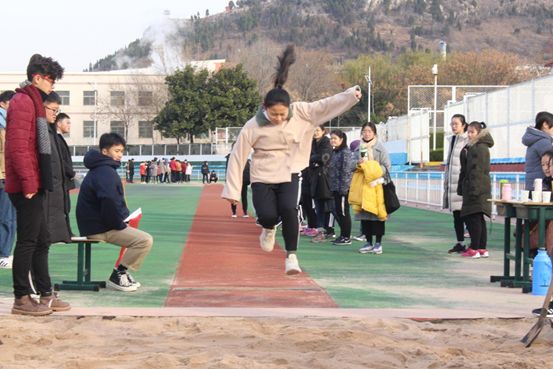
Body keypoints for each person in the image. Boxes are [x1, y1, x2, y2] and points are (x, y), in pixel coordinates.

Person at [222, 45, 361, 274]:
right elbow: (237, 158)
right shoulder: (252, 126)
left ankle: (291, 258)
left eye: (282, 114)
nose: (278, 118)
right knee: (267, 215)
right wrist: (233, 191)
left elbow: (325, 105)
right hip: (263, 175)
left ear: (289, 109)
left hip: (290, 172)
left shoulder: (302, 112)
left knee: (288, 208)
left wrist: (349, 96)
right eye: (273, 114)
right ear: (265, 109)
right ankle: (268, 228)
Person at [5, 54, 69, 315]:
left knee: (42, 239)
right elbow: (18, 147)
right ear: (37, 77)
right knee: (29, 240)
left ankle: (45, 293)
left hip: (35, 181)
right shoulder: (23, 102)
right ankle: (21, 297)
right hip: (25, 184)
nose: (53, 84)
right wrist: (29, 182)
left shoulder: (34, 102)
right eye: (51, 79)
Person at [76, 133, 153, 292]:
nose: (120, 155)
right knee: (144, 240)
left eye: (121, 151)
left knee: (140, 238)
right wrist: (119, 224)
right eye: (116, 151)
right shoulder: (105, 171)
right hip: (100, 228)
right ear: (105, 152)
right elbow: (108, 201)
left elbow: (110, 201)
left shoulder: (101, 169)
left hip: (97, 224)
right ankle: (119, 273)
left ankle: (121, 273)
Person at [351, 122, 390, 255]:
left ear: (374, 133)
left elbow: (387, 166)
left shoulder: (381, 148)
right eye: (364, 131)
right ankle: (368, 242)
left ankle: (378, 243)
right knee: (365, 216)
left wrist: (374, 171)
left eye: (369, 131)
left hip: (377, 186)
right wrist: (358, 163)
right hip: (363, 186)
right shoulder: (358, 148)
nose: (366, 134)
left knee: (378, 215)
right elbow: (350, 166)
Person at [457, 121, 494, 259]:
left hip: (476, 188)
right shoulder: (477, 147)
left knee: (473, 218)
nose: (469, 135)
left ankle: (474, 248)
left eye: (472, 132)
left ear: (479, 133)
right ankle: (481, 248)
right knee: (478, 218)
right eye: (468, 132)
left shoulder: (477, 148)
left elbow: (476, 172)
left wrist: (472, 190)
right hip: (478, 187)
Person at [44, 93, 72, 243]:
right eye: (53, 110)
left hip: (58, 183)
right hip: (47, 187)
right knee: (33, 240)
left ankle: (66, 231)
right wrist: (70, 173)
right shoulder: (44, 131)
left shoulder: (53, 134)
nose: (55, 114)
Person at [443, 114, 469, 254]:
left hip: (461, 183)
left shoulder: (466, 140)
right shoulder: (452, 140)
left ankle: (475, 245)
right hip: (452, 184)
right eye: (452, 124)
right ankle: (460, 243)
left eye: (456, 124)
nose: (453, 126)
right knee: (457, 216)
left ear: (463, 125)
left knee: (466, 216)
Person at [328, 129, 354, 245]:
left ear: (341, 140)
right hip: (335, 187)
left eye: (335, 138)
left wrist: (343, 189)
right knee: (339, 211)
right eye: (331, 138)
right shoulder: (335, 152)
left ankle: (346, 237)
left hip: (342, 188)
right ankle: (342, 235)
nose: (332, 140)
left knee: (343, 212)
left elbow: (346, 171)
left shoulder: (345, 152)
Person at [309, 125, 335, 243]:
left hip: (326, 178)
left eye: (318, 130)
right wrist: (314, 160)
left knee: (328, 206)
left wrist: (313, 159)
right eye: (314, 130)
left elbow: (323, 158)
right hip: (315, 178)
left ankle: (329, 230)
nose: (315, 133)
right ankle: (320, 231)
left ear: (323, 131)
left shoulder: (326, 143)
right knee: (318, 205)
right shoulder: (312, 143)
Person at [0, 90, 16, 269]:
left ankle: (5, 252)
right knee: (7, 217)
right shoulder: (3, 125)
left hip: (6, 174)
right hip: (4, 175)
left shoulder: (7, 124)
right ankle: (3, 254)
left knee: (9, 216)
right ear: (4, 103)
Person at [55, 112, 76, 237]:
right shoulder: (56, 139)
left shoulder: (59, 139)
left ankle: (66, 232)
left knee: (66, 206)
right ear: (58, 123)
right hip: (62, 179)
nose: (69, 126)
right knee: (63, 207)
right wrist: (71, 172)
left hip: (64, 179)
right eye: (67, 123)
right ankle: (65, 232)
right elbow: (61, 160)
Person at [522, 111, 553, 191]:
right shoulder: (543, 141)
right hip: (542, 187)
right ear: (545, 124)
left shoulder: (534, 140)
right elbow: (551, 161)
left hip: (532, 185)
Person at [226, 148, 251, 218]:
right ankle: (234, 212)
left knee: (244, 197)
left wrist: (248, 180)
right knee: (234, 196)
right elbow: (228, 169)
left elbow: (247, 170)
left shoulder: (245, 158)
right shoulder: (230, 157)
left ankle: (245, 212)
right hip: (235, 180)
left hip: (243, 181)